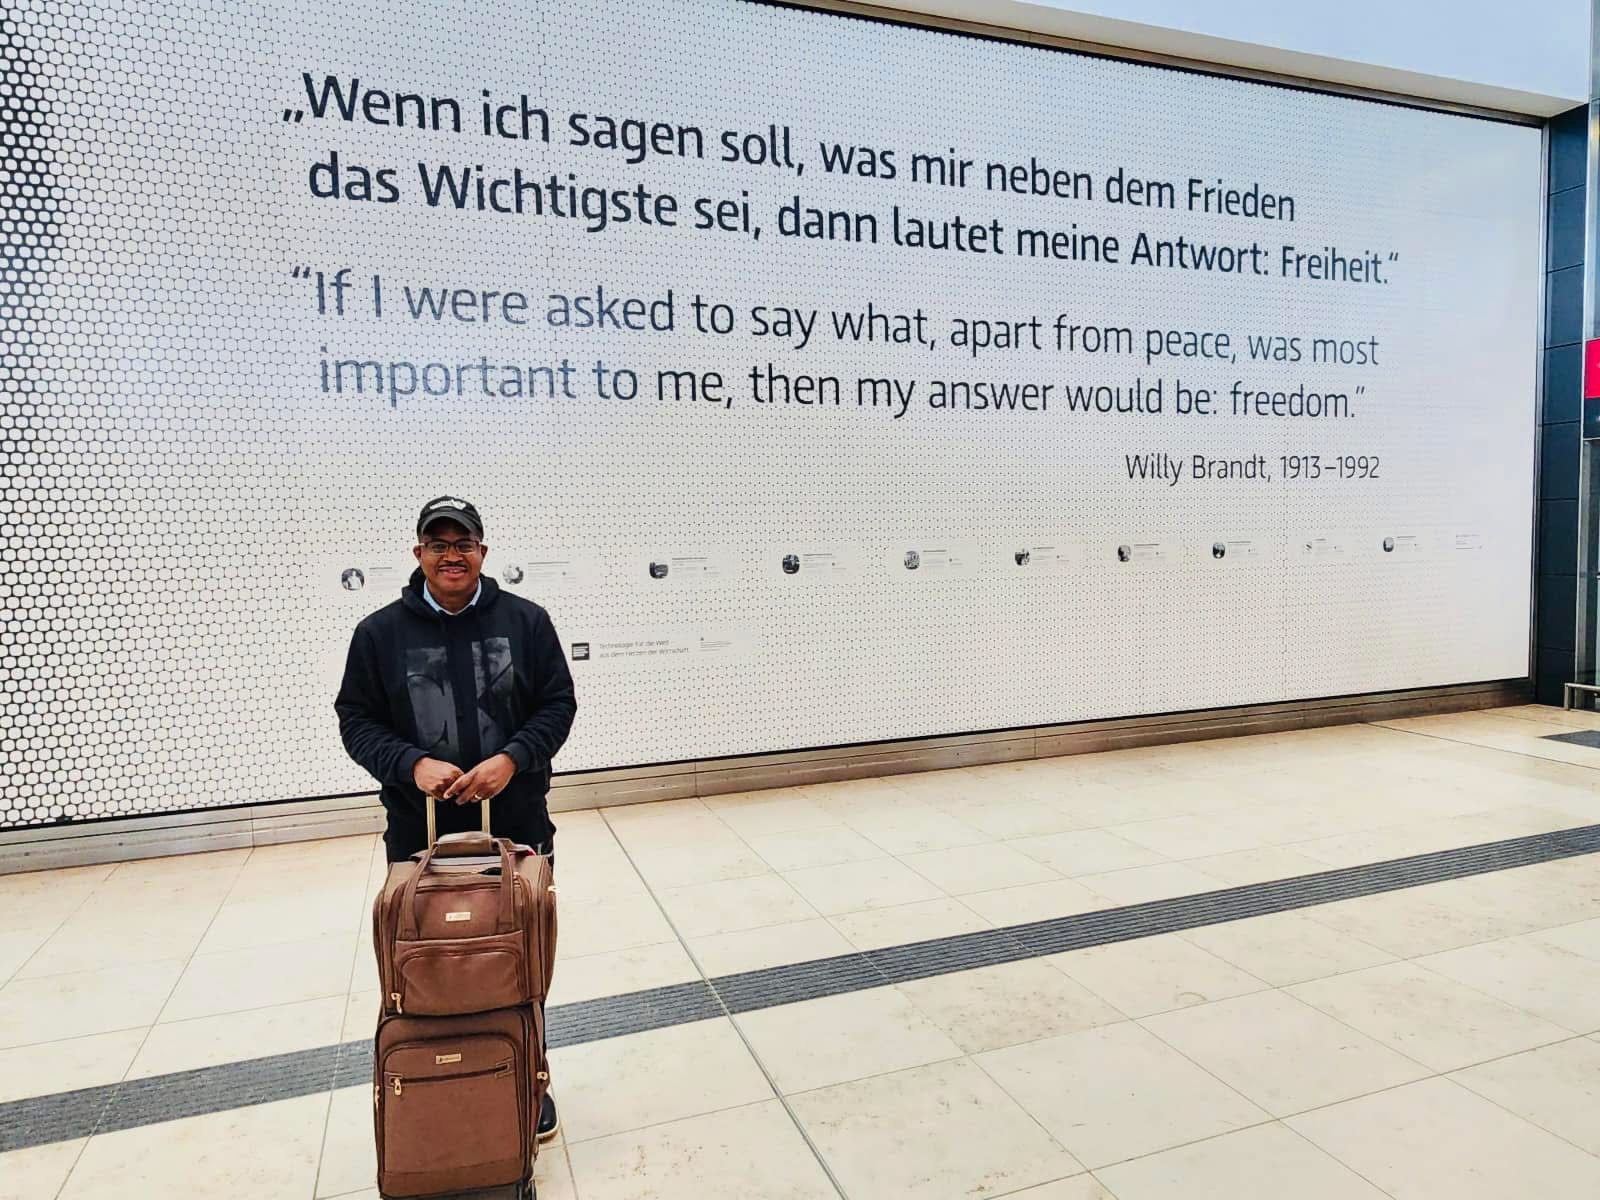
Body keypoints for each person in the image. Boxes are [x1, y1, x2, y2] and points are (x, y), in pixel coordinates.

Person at [335, 495, 576, 1142]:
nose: (452, 555)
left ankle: (527, 1073)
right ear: (418, 553)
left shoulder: (526, 621)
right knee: (433, 961)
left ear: (482, 552)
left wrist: (513, 759)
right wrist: (410, 764)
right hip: (420, 841)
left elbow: (558, 704)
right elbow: (355, 720)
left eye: (463, 543)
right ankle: (445, 1076)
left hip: (518, 829)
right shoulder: (379, 634)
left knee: (522, 957)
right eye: (438, 544)